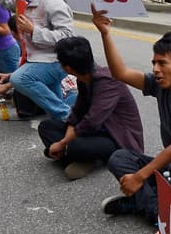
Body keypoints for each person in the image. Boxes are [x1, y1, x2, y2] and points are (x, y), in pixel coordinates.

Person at [92, 12, 171, 225]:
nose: (155, 69)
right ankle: (157, 209)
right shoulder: (159, 84)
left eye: (162, 63)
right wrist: (105, 34)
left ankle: (139, 203)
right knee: (119, 158)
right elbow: (120, 73)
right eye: (154, 63)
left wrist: (139, 177)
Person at [38, 36, 145, 180]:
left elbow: (91, 122)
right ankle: (83, 158)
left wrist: (62, 142)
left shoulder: (107, 81)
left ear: (67, 68)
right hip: (93, 134)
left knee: (75, 145)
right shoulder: (84, 78)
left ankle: (80, 156)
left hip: (117, 139)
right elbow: (77, 112)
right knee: (46, 127)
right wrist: (66, 137)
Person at [0, 0, 74, 120]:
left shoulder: (53, 3)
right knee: (55, 102)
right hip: (37, 58)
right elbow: (7, 1)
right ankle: (67, 127)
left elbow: (67, 37)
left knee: (19, 78)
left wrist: (33, 30)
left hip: (55, 60)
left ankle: (67, 116)